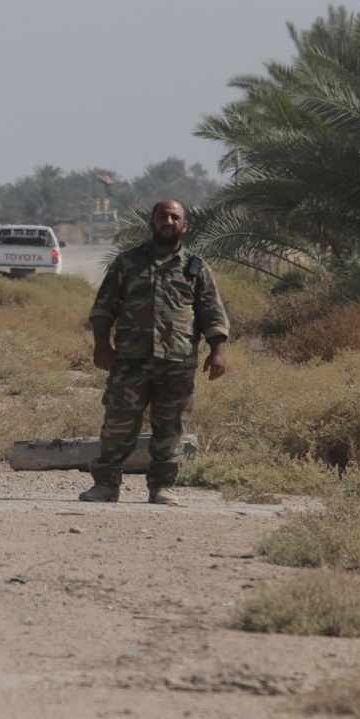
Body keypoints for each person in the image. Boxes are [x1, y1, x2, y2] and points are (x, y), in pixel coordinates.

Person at [80, 200, 229, 506]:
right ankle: (106, 485)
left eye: (175, 217)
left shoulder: (196, 268)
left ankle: (162, 487)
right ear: (151, 222)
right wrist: (101, 345)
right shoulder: (127, 263)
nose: (168, 221)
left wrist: (218, 352)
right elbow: (103, 308)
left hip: (177, 363)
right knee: (118, 424)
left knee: (171, 427)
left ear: (184, 226)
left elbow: (212, 314)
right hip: (130, 362)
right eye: (163, 216)